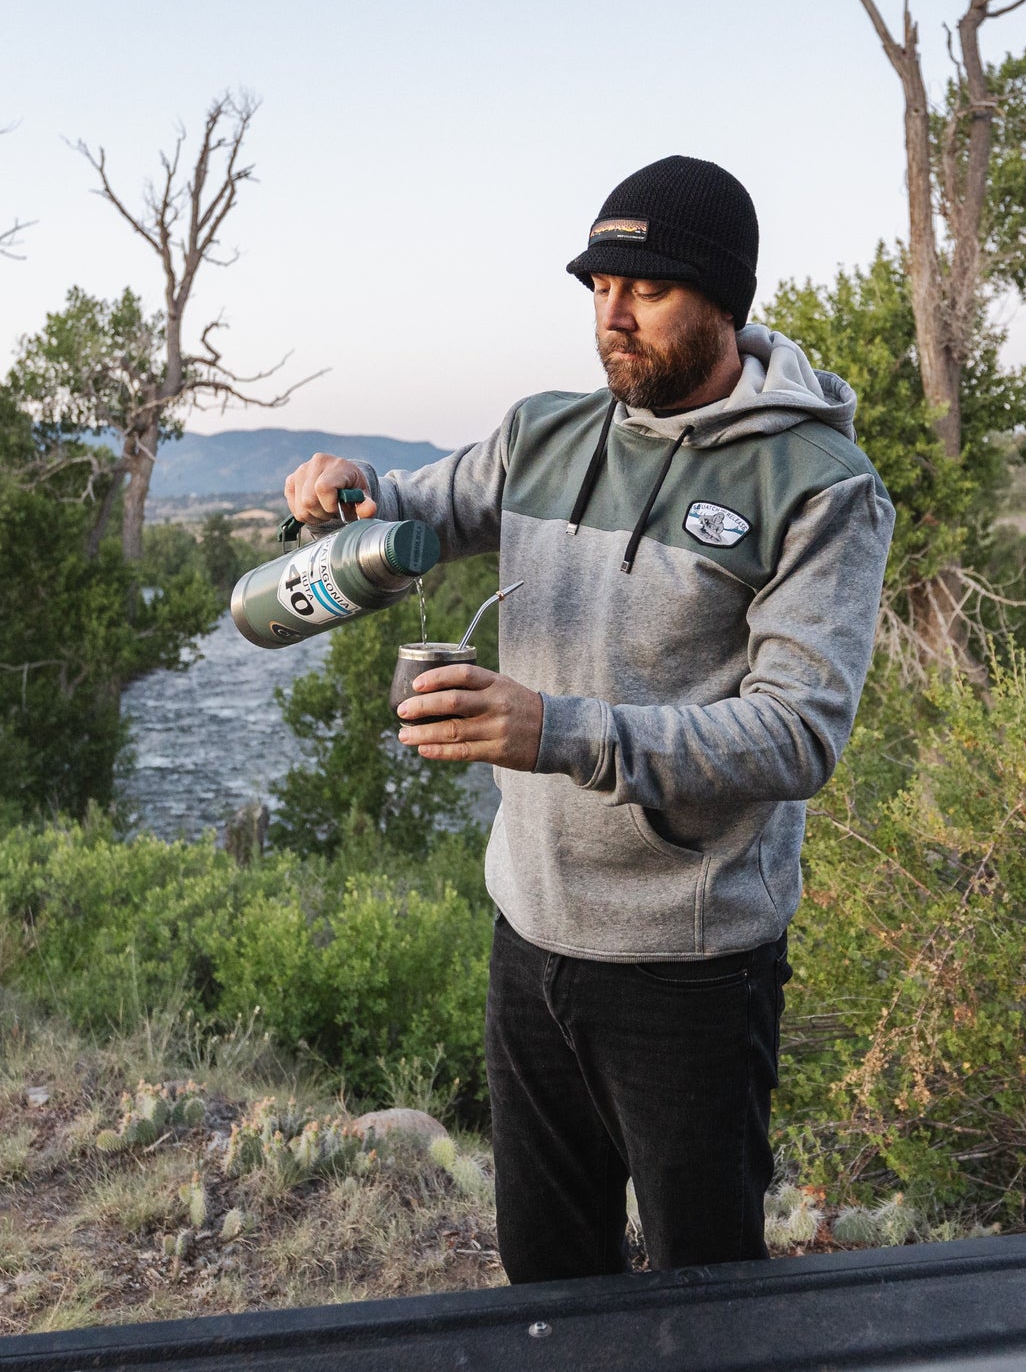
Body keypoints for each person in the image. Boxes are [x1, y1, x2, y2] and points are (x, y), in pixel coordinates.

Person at [283, 155, 895, 1283]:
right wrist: (347, 482)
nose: (610, 317)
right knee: (547, 1280)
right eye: (596, 287)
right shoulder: (544, 435)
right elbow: (413, 501)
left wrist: (554, 729)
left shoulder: (818, 482)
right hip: (530, 936)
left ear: (723, 300)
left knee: (702, 1291)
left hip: (689, 964)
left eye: (646, 290)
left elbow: (796, 734)